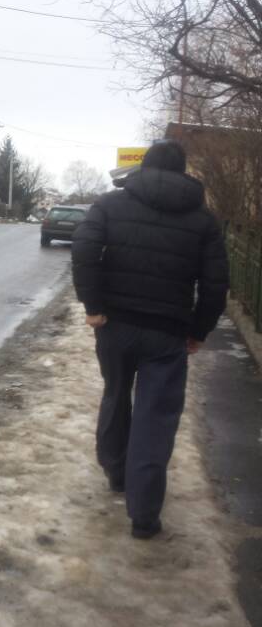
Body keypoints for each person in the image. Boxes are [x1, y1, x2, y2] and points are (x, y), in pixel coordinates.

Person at [71, 140, 229, 540]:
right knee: (154, 418)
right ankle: (143, 515)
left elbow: (84, 250)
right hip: (167, 334)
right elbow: (215, 284)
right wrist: (199, 330)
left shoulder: (109, 204)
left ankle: (115, 471)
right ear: (183, 171)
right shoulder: (203, 220)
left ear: (143, 166)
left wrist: (93, 305)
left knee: (116, 394)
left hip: (115, 325)